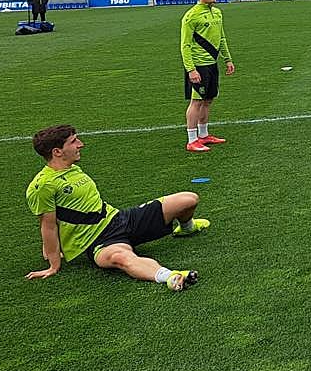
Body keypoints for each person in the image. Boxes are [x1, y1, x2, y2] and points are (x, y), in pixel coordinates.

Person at [25, 125, 208, 291]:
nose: (80, 144)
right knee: (123, 258)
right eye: (73, 142)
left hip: (120, 219)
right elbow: (47, 225)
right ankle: (170, 276)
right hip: (98, 241)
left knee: (188, 199)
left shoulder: (72, 168)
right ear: (57, 151)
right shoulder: (43, 186)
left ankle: (187, 228)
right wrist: (53, 263)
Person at [182, 0, 234, 152]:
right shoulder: (191, 16)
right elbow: (185, 45)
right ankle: (192, 140)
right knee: (196, 101)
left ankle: (203, 135)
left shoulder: (217, 13)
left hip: (212, 64)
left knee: (208, 100)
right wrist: (191, 69)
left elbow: (222, 38)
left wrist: (227, 59)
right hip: (198, 66)